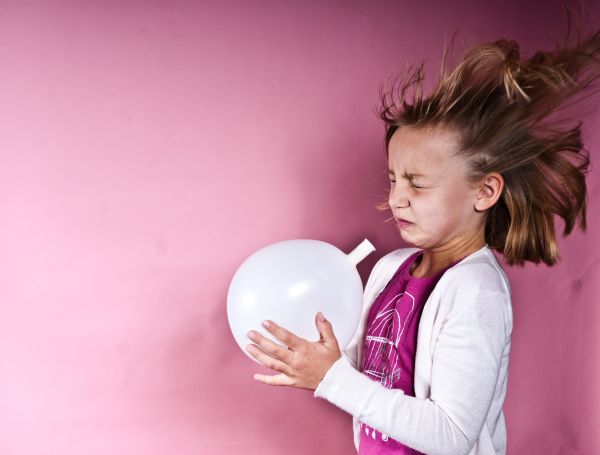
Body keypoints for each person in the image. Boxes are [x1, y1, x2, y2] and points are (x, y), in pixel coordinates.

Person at [244, 15, 600, 455]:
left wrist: (331, 378)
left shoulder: (476, 290)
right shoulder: (390, 268)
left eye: (417, 183)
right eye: (393, 179)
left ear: (485, 191)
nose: (397, 199)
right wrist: (308, 357)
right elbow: (358, 371)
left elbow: (451, 435)